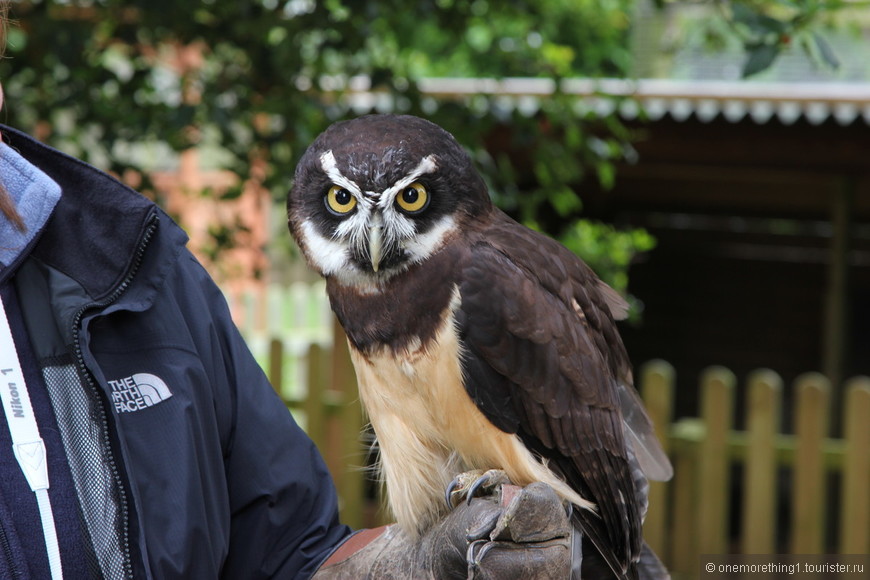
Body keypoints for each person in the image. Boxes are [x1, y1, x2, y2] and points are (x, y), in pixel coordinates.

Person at [0, 7, 574, 579]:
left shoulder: (130, 269)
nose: (372, 240)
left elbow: (290, 556)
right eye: (344, 205)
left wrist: (416, 568)